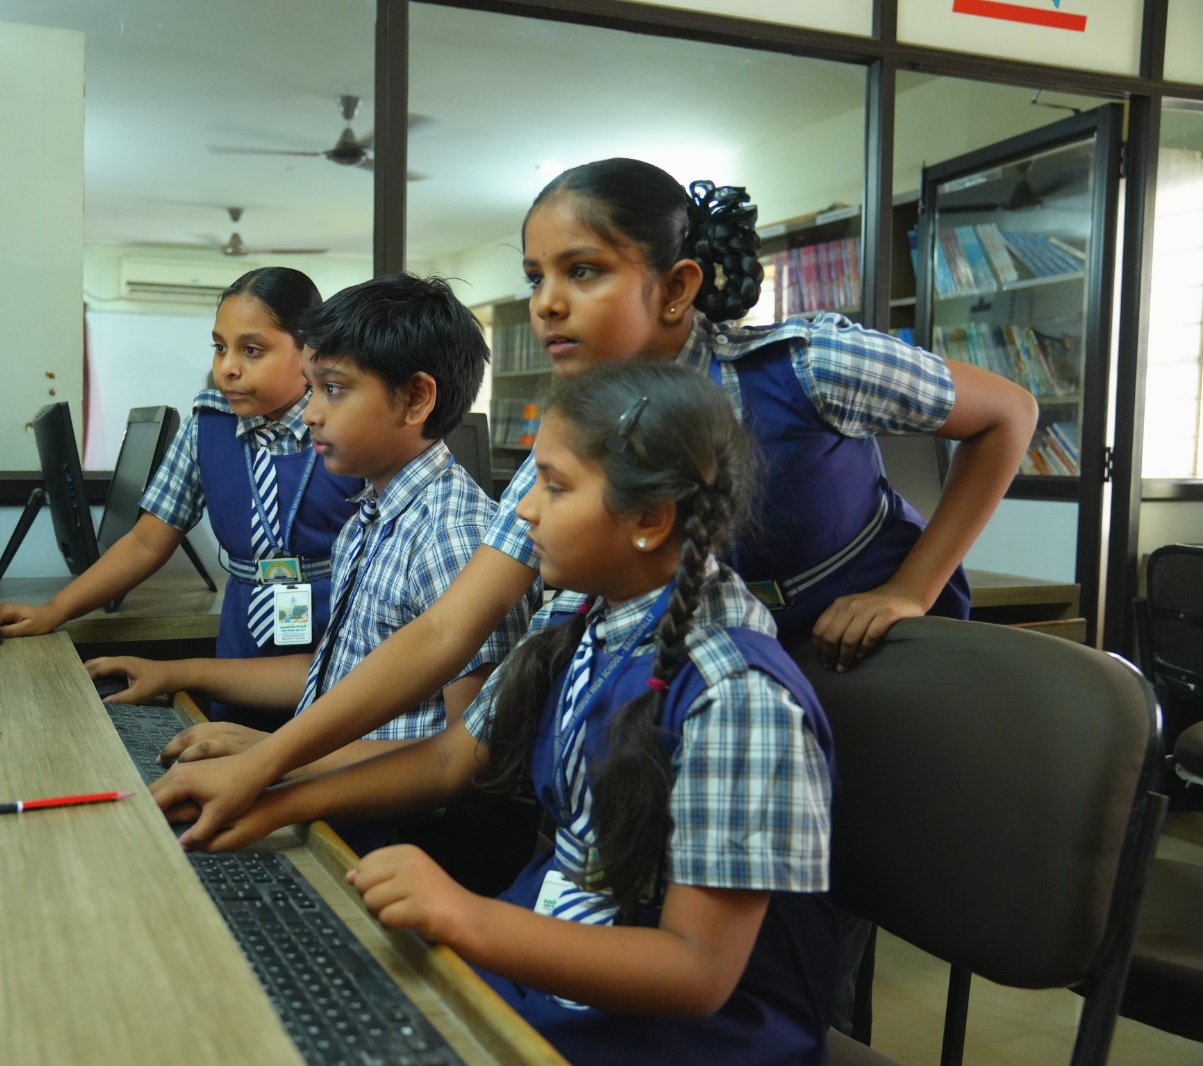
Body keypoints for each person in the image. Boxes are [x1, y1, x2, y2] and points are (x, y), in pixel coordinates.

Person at [150, 156, 1035, 844]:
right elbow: (447, 630)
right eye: (536, 277)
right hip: (712, 644)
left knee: (838, 870)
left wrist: (909, 590)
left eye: (583, 272)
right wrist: (273, 760)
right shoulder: (575, 442)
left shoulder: (804, 365)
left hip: (858, 638)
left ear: (678, 287)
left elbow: (1009, 414)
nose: (548, 304)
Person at [191, 361, 837, 1063]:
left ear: (651, 518)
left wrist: (466, 916)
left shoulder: (735, 694)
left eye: (554, 488)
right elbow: (449, 757)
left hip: (682, 1033)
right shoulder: (584, 617)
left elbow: (698, 972)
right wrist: (280, 801)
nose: (524, 509)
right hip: (551, 952)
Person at [86, 274, 536, 889]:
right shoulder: (371, 517)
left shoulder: (455, 537)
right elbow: (334, 673)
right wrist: (180, 673)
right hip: (346, 809)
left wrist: (274, 766)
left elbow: (464, 760)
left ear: (414, 400)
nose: (313, 412)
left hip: (411, 845)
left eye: (333, 389)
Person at [0, 266, 363, 723]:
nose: (227, 367)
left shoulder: (348, 426)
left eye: (252, 350)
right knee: (233, 741)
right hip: (245, 622)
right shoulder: (205, 428)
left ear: (310, 351)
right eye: (220, 347)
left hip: (339, 623)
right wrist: (55, 610)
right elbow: (148, 540)